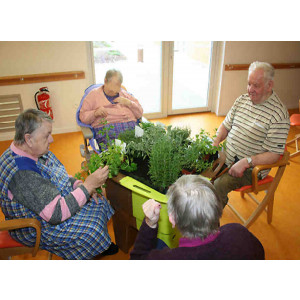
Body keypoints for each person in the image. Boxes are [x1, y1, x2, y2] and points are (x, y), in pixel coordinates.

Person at [0, 109, 118, 260]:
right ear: (28, 139)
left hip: (46, 205)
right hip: (34, 226)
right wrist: (87, 187)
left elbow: (58, 174)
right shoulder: (23, 174)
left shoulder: (30, 149)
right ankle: (92, 249)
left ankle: (98, 245)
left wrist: (79, 184)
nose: (52, 139)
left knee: (99, 201)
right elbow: (56, 214)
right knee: (91, 228)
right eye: (46, 135)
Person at [130, 175, 265, 260]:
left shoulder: (169, 258)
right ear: (218, 208)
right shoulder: (238, 231)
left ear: (172, 219)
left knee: (159, 243)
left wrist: (150, 223)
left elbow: (137, 258)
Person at [213, 61, 290, 207]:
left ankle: (209, 226)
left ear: (269, 85)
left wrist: (246, 162)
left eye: (256, 85)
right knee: (198, 168)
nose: (250, 89)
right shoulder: (242, 100)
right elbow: (225, 126)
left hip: (250, 170)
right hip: (226, 156)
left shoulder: (278, 115)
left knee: (217, 186)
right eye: (249, 84)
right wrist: (216, 140)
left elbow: (274, 154)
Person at [79, 69, 143, 147]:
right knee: (116, 154)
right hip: (107, 129)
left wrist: (129, 103)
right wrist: (95, 113)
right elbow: (83, 117)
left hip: (130, 127)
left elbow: (139, 113)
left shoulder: (125, 94)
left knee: (141, 150)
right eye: (110, 91)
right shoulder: (93, 95)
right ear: (105, 81)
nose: (113, 93)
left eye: (116, 91)